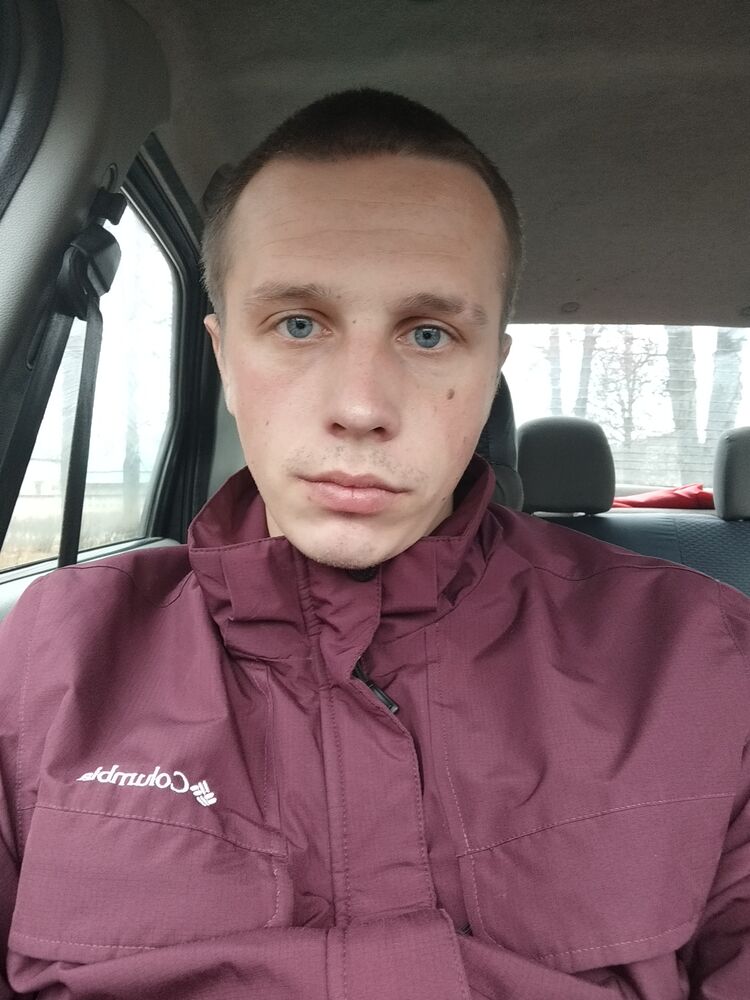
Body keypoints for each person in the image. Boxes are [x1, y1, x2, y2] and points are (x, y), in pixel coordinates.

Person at [0, 87, 748, 1000]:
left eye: (429, 334)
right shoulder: (48, 657)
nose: (360, 407)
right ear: (224, 356)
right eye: (298, 324)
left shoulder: (709, 664)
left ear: (491, 370)